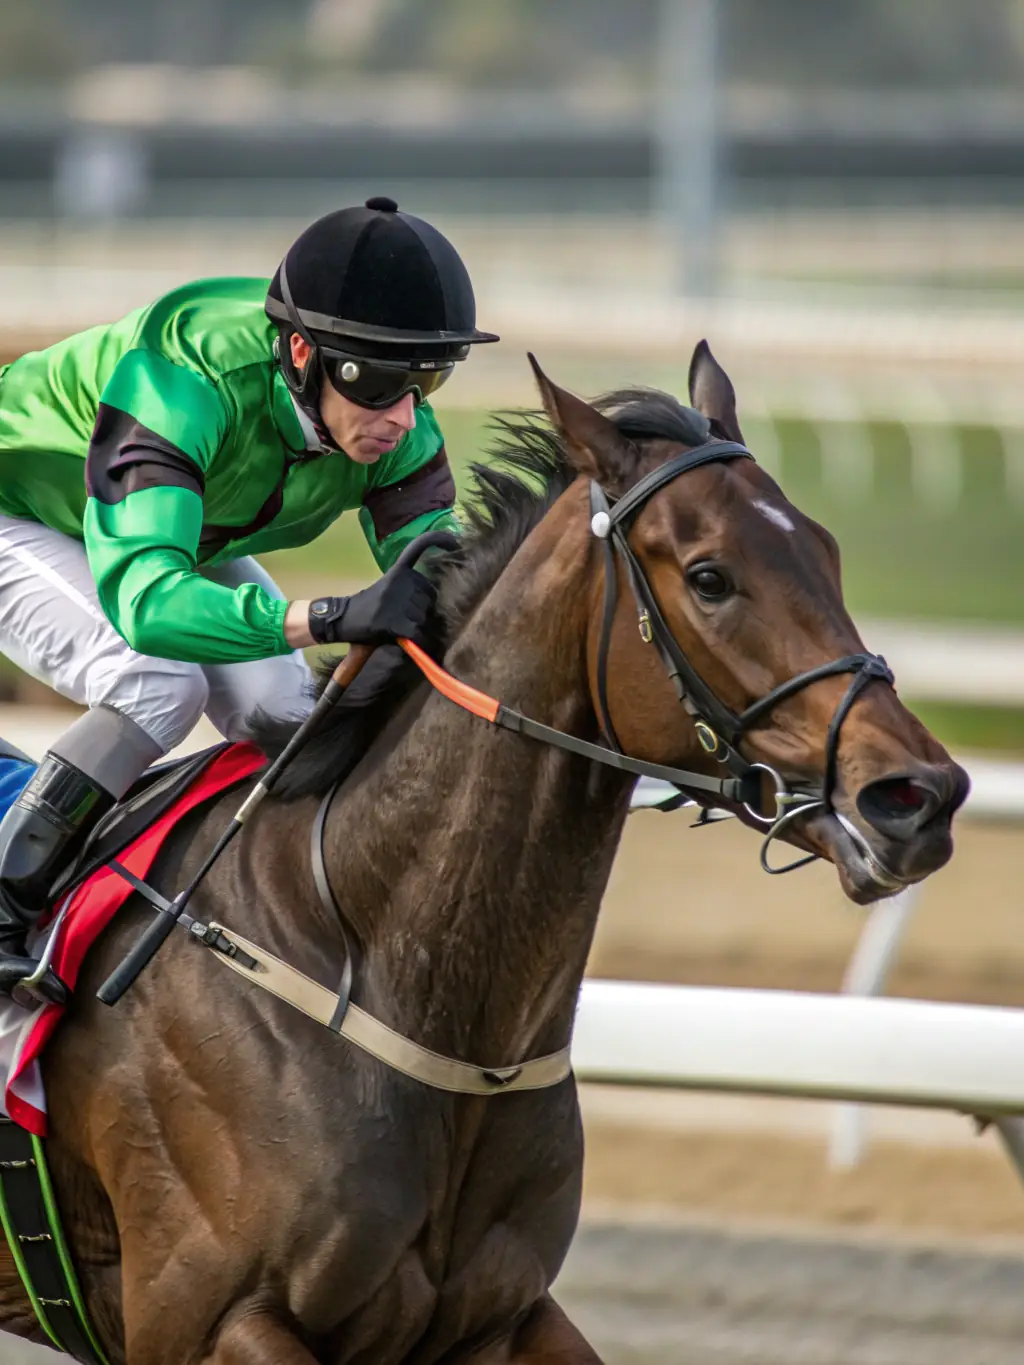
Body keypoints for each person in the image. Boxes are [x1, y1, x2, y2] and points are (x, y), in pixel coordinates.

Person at [0, 195, 497, 1000]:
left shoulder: (390, 414)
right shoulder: (182, 378)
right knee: (156, 683)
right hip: (17, 512)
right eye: (378, 384)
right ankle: (6, 897)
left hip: (170, 531)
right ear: (301, 352)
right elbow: (150, 604)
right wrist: (325, 616)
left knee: (283, 705)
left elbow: (451, 581)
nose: (404, 417)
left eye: (426, 380)